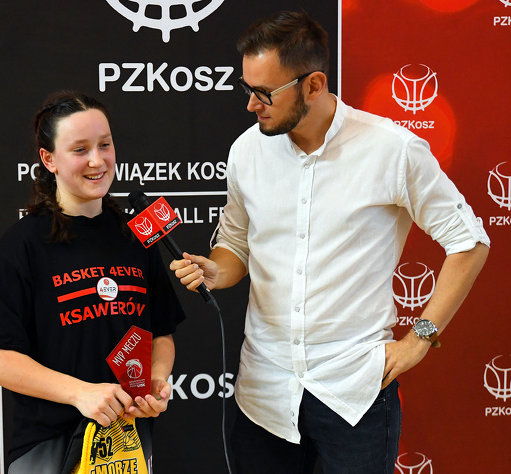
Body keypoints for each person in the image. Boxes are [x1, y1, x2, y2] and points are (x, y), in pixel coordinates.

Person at [170, 11, 489, 474]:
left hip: (355, 392)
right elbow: (236, 244)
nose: (251, 104)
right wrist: (217, 270)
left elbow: (469, 242)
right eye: (247, 88)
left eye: (264, 92)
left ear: (314, 85)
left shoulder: (392, 149)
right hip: (264, 394)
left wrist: (419, 339)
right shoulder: (246, 151)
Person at [0, 91, 185, 473]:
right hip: (50, 446)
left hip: (128, 443)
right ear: (49, 159)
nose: (97, 160)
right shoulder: (24, 244)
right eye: (80, 149)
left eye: (105, 145)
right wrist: (79, 393)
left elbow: (161, 332)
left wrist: (155, 381)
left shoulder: (135, 237)